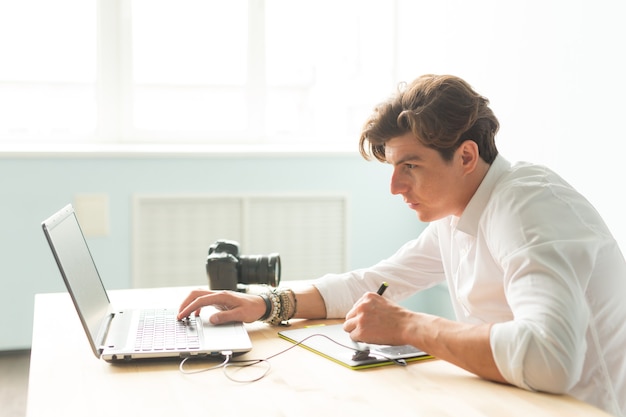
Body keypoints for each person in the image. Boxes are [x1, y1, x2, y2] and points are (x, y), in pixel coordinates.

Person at [178, 74, 626, 416]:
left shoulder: (529, 209)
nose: (395, 186)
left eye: (410, 165)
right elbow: (374, 284)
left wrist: (410, 326)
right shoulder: (462, 213)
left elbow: (550, 359)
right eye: (394, 167)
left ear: (467, 156)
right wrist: (268, 303)